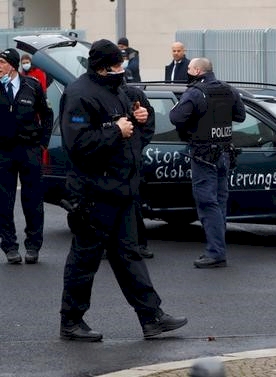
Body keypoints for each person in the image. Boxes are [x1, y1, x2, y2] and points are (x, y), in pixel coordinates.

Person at [59, 39, 186, 341]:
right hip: (93, 194)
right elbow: (78, 145)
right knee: (85, 258)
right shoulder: (79, 95)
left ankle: (151, 317)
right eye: (117, 66)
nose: (122, 70)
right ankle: (71, 321)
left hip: (122, 190)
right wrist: (115, 131)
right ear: (102, 68)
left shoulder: (118, 90)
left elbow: (136, 126)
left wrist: (141, 120)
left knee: (129, 255)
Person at [169, 57, 245, 268]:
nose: (188, 72)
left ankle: (215, 253)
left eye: (190, 69)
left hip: (203, 155)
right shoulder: (229, 90)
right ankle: (218, 250)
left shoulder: (195, 92)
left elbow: (175, 117)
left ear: (196, 71)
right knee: (219, 202)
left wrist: (194, 122)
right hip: (224, 154)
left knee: (206, 202)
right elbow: (240, 116)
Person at [0, 48, 53, 265]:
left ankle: (33, 246)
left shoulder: (32, 85)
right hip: (3, 152)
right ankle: (10, 247)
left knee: (32, 200)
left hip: (29, 149)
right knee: (4, 201)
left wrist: (43, 143)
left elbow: (47, 115)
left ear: (12, 65)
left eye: (2, 62)